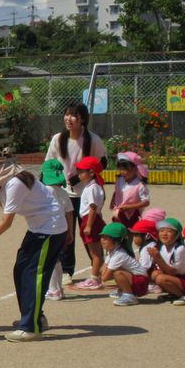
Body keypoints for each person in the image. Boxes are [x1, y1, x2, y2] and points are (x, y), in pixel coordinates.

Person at [0, 163, 68, 342]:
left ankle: (31, 327)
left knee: (33, 275)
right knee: (20, 271)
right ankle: (34, 318)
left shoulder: (15, 182)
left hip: (50, 228)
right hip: (38, 228)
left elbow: (5, 223)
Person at [44, 102, 107, 283]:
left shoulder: (92, 139)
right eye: (66, 115)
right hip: (64, 194)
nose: (69, 119)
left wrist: (80, 178)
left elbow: (103, 162)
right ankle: (67, 271)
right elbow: (48, 165)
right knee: (66, 232)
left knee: (90, 232)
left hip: (87, 194)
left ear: (83, 120)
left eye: (73, 115)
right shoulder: (58, 139)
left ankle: (97, 268)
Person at [39, 158, 75, 301]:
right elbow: (69, 213)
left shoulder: (44, 191)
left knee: (49, 260)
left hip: (48, 230)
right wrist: (70, 232)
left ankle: (54, 290)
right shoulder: (63, 192)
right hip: (62, 229)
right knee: (57, 259)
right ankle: (58, 289)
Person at [72, 156, 106, 290]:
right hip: (91, 218)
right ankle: (96, 275)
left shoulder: (92, 188)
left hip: (90, 219)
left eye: (81, 171)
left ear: (91, 172)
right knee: (95, 252)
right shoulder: (93, 186)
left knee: (95, 253)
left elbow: (93, 207)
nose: (79, 174)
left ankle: (94, 278)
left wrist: (89, 225)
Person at [149, 217, 185, 305]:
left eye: (169, 231)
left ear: (177, 234)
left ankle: (184, 296)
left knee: (160, 278)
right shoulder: (162, 248)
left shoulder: (179, 249)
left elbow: (172, 272)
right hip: (176, 278)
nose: (164, 234)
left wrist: (157, 258)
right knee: (155, 275)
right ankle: (174, 294)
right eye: (161, 230)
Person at [98, 222, 148, 306]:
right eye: (102, 237)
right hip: (136, 279)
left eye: (106, 238)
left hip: (141, 283)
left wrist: (104, 274)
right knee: (115, 271)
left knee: (117, 273)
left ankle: (129, 295)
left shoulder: (119, 254)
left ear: (117, 240)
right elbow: (102, 269)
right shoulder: (112, 251)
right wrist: (104, 272)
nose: (102, 240)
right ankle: (123, 291)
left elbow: (104, 277)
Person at [110, 151, 151, 228]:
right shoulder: (120, 180)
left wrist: (129, 207)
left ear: (135, 169)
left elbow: (146, 202)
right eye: (120, 169)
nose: (122, 172)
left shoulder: (140, 185)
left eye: (125, 170)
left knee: (131, 232)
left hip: (133, 215)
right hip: (119, 213)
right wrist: (112, 201)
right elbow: (116, 192)